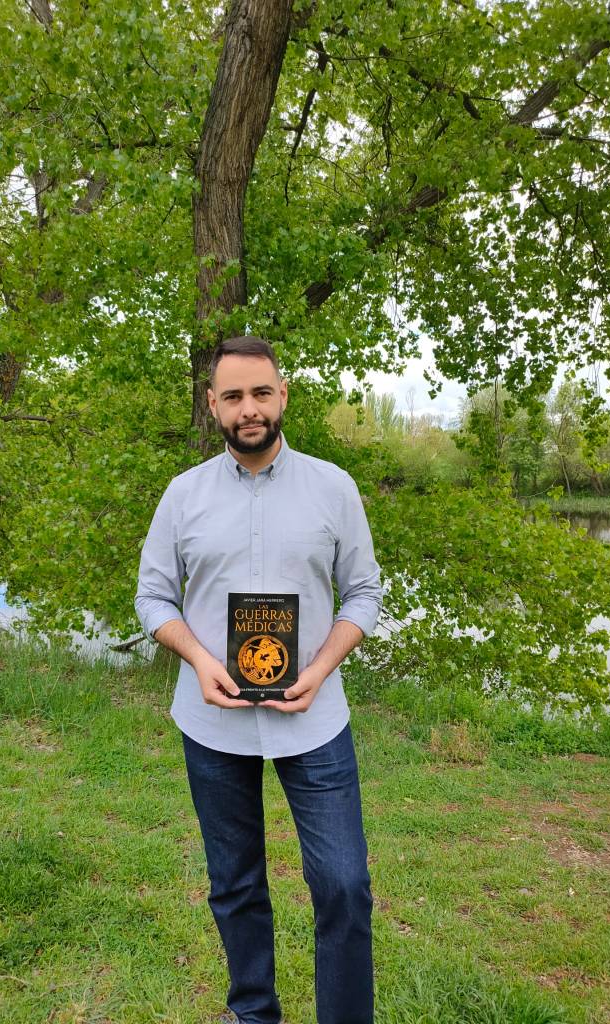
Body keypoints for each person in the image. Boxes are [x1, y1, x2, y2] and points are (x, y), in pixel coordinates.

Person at [135, 336, 383, 1024]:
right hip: (212, 722)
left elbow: (364, 593)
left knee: (344, 884)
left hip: (315, 719)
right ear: (213, 404)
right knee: (235, 883)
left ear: (284, 396)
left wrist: (320, 668)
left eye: (262, 393)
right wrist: (198, 658)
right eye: (235, 396)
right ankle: (253, 1013)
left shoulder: (334, 488)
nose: (250, 409)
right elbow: (153, 597)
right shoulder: (183, 495)